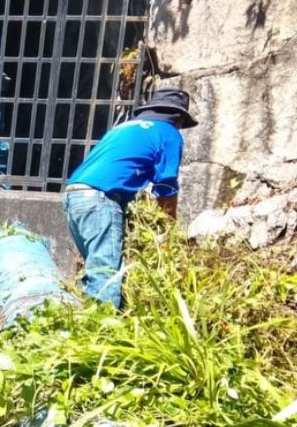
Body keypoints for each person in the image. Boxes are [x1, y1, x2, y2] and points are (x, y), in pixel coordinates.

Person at [62, 88, 198, 308]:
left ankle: (88, 320)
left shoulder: (123, 128)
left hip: (74, 195)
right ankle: (100, 332)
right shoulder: (169, 132)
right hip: (100, 199)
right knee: (106, 275)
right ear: (179, 118)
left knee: (95, 269)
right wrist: (169, 232)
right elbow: (166, 185)